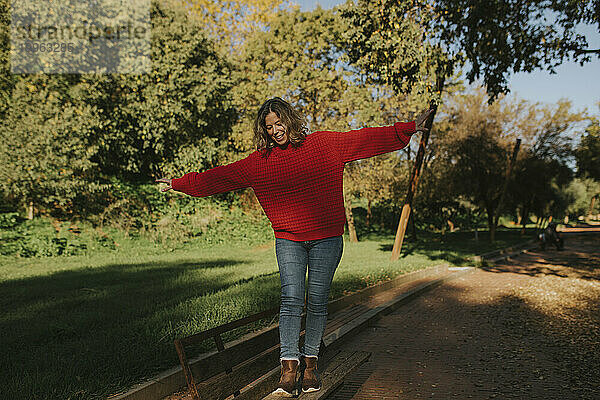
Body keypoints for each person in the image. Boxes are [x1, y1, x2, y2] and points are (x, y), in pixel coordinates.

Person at [156, 97, 433, 397]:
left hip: (326, 238)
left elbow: (365, 138)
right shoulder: (258, 162)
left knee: (316, 301)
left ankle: (310, 365)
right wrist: (177, 184)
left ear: (290, 119)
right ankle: (288, 368)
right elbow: (218, 178)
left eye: (280, 123)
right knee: (290, 299)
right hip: (289, 240)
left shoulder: (325, 144)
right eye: (269, 127)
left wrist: (408, 128)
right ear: (264, 131)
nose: (276, 131)